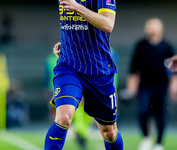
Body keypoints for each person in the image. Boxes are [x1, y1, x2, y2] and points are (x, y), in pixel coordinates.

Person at [44, 0, 123, 149]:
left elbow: (107, 24)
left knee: (109, 133)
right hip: (69, 66)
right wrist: (68, 46)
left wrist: (78, 7)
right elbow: (74, 26)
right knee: (63, 118)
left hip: (99, 70)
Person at [127, 18, 177, 150]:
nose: (149, 28)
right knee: (143, 111)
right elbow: (133, 68)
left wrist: (174, 85)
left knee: (161, 114)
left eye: (152, 26)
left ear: (160, 28)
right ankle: (147, 137)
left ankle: (159, 143)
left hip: (162, 86)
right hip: (145, 86)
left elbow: (173, 70)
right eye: (148, 25)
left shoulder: (167, 46)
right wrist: (131, 85)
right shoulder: (141, 45)